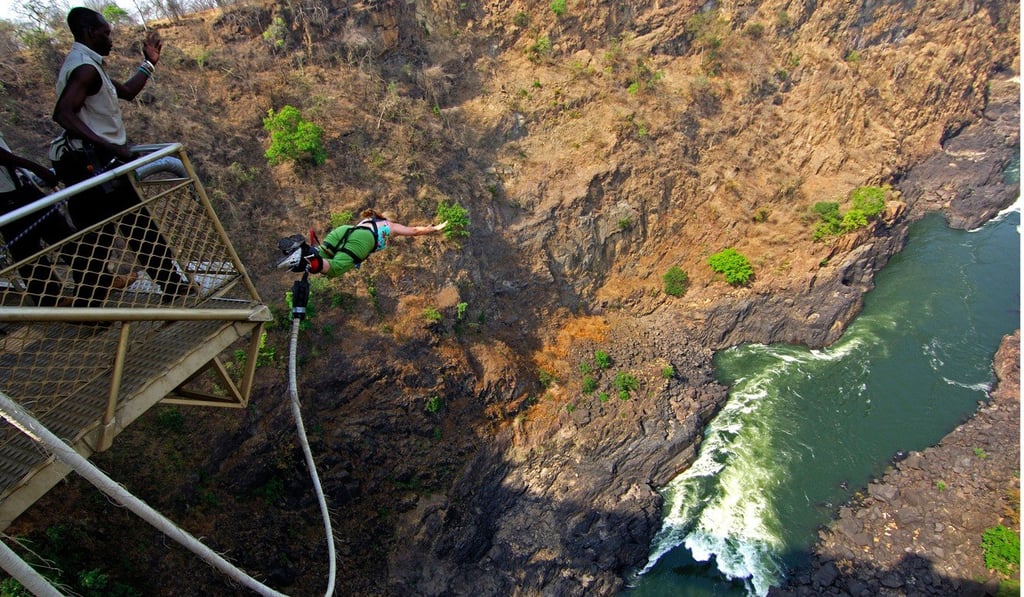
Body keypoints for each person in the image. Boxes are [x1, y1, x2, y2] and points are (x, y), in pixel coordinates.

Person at [49, 7, 191, 306]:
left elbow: (126, 91)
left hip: (99, 165)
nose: (110, 39)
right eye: (106, 33)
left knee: (122, 232)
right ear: (90, 33)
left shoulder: (90, 66)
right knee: (112, 238)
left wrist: (149, 64)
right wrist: (109, 146)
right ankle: (95, 310)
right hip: (94, 166)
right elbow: (63, 113)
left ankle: (166, 287)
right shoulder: (83, 68)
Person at [0, 133, 77, 307]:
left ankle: (97, 278)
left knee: (64, 234)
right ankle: (50, 301)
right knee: (28, 252)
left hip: (22, 187)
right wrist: (27, 165)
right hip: (5, 198)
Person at [278, 209, 448, 277]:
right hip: (363, 241)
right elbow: (414, 231)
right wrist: (434, 228)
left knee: (322, 253)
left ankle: (302, 250)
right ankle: (303, 260)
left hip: (345, 230)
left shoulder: (368, 219)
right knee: (336, 267)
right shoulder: (391, 226)